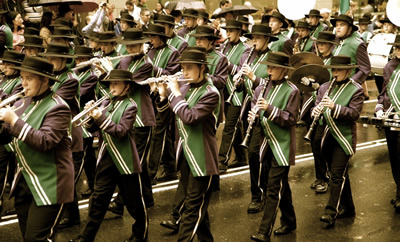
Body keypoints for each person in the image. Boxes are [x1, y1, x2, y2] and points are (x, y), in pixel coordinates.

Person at [0, 56, 74, 241]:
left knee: (36, 238)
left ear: (45, 80)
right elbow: (6, 136)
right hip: (26, 180)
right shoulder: (23, 102)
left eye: (29, 78)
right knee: (29, 237)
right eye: (22, 77)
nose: (23, 83)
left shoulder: (59, 108)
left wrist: (14, 120)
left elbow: (45, 141)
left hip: (50, 183)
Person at [70, 69, 148, 242]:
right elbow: (92, 129)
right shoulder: (107, 104)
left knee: (134, 203)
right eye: (110, 84)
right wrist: (91, 115)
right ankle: (86, 237)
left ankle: (140, 234)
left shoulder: (131, 106)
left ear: (127, 87)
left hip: (125, 160)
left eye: (116, 84)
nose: (111, 87)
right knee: (98, 200)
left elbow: (120, 132)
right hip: (107, 158)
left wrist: (100, 117)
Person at [157, 49, 220, 241]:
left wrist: (175, 93)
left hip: (202, 160)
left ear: (202, 68)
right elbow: (165, 115)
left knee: (191, 210)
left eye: (189, 68)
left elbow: (189, 117)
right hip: (185, 156)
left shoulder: (211, 93)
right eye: (182, 68)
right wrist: (162, 95)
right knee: (198, 207)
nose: (184, 73)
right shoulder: (186, 88)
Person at [249, 52, 300, 242]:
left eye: (273, 67)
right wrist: (252, 118)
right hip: (266, 142)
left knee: (273, 188)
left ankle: (264, 231)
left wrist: (269, 109)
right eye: (267, 67)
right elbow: (255, 111)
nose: (268, 71)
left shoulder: (292, 90)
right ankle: (290, 220)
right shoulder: (261, 88)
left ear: (284, 70)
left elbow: (291, 119)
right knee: (279, 185)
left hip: (282, 145)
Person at [108, 28, 155, 216]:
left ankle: (120, 203)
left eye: (134, 45)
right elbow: (113, 83)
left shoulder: (147, 63)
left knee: (135, 163)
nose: (130, 49)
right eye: (127, 46)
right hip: (126, 117)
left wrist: (108, 70)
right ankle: (149, 198)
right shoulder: (123, 60)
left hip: (143, 118)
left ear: (142, 45)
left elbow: (128, 84)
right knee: (139, 163)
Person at [314, 55, 363, 227]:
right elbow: (317, 104)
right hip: (326, 136)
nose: (335, 73)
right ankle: (348, 208)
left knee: (336, 176)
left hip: (344, 137)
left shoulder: (356, 89)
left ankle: (330, 212)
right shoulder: (325, 87)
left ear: (348, 71)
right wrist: (316, 111)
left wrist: (335, 107)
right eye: (333, 70)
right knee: (340, 175)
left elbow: (354, 114)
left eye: (338, 70)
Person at [39, 43, 82, 228]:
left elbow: (50, 100)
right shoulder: (53, 76)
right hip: (57, 131)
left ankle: (68, 216)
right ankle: (72, 216)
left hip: (71, 133)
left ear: (65, 59)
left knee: (67, 179)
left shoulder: (70, 78)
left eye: (54, 59)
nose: (50, 62)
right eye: (48, 58)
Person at [237, 24, 278, 214]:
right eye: (253, 37)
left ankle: (268, 191)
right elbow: (240, 84)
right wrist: (239, 80)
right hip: (250, 108)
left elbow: (273, 85)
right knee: (253, 154)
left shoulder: (273, 58)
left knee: (266, 156)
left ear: (267, 39)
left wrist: (253, 78)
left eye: (259, 38)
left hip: (268, 110)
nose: (254, 41)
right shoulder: (247, 55)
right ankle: (256, 195)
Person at [144, 23, 180, 183]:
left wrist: (153, 68)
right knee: (161, 133)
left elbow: (171, 75)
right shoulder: (149, 52)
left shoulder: (173, 52)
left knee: (159, 134)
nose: (151, 40)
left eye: (153, 37)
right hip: (150, 96)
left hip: (165, 97)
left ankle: (151, 172)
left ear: (161, 38)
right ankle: (170, 169)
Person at [218, 19, 250, 172]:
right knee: (234, 125)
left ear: (239, 32)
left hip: (237, 92)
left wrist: (227, 65)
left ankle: (221, 161)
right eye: (227, 31)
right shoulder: (224, 46)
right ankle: (241, 157)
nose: (228, 33)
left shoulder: (245, 49)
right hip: (225, 91)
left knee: (229, 127)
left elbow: (243, 70)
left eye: (231, 31)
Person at [375, 35, 400, 213]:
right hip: (391, 117)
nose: (398, 51)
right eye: (397, 48)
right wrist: (379, 106)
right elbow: (384, 92)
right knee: (394, 156)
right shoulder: (390, 66)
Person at [72, 46, 100, 199]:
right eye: (77, 59)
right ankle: (94, 184)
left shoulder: (91, 76)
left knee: (81, 158)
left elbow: (80, 94)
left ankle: (91, 185)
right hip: (77, 120)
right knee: (89, 158)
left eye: (82, 59)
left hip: (86, 120)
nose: (79, 61)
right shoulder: (75, 73)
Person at [331, 14, 371, 99]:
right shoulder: (335, 42)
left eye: (342, 25)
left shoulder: (357, 44)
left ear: (350, 28)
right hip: (333, 85)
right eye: (337, 25)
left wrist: (352, 82)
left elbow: (365, 68)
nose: (338, 27)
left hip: (348, 89)